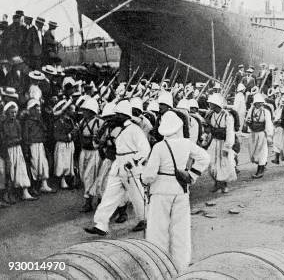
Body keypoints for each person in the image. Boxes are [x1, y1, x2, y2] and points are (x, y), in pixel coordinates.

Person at [141, 111, 210, 272]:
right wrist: (192, 174)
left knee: (158, 230)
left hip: (161, 191)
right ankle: (181, 267)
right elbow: (205, 158)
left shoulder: (159, 147)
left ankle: (159, 266)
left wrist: (144, 180)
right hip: (180, 190)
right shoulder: (186, 143)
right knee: (181, 230)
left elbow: (149, 175)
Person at [84, 99, 151, 235]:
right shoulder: (119, 129)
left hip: (131, 166)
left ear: (125, 116)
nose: (115, 117)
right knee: (109, 195)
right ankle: (101, 224)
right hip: (118, 164)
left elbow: (145, 149)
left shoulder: (134, 130)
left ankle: (145, 219)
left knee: (137, 195)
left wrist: (133, 161)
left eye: (118, 114)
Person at [1, 101, 37, 201]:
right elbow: (4, 139)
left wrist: (17, 141)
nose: (13, 114)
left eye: (15, 112)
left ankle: (25, 192)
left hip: (17, 149)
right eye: (11, 112)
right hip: (8, 150)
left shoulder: (17, 123)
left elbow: (20, 136)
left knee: (21, 168)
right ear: (7, 113)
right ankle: (10, 194)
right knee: (10, 170)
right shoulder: (4, 124)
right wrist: (13, 141)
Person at [76, 97, 102, 212]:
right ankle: (90, 199)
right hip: (84, 151)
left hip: (94, 153)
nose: (84, 112)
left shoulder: (99, 122)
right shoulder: (82, 122)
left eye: (86, 110)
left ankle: (89, 202)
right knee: (83, 175)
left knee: (90, 176)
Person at [22, 99, 54, 195]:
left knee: (43, 164)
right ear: (31, 110)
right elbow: (26, 135)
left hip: (40, 144)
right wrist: (27, 148)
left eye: (39, 110)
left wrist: (40, 122)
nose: (38, 112)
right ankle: (34, 186)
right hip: (33, 145)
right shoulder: (28, 122)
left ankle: (44, 184)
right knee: (35, 165)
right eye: (36, 109)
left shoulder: (40, 120)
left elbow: (45, 130)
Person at [206, 93, 236, 193]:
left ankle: (224, 184)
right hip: (215, 141)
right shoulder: (211, 115)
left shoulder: (227, 116)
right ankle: (217, 183)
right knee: (212, 162)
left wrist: (227, 147)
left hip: (224, 142)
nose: (209, 105)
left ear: (216, 104)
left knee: (225, 163)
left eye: (211, 103)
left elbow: (230, 132)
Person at [245, 93, 273, 179]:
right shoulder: (251, 110)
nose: (259, 104)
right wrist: (248, 123)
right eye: (257, 103)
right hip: (253, 133)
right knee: (253, 150)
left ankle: (260, 170)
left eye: (261, 102)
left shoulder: (266, 112)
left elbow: (268, 123)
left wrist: (269, 135)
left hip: (262, 133)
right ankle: (262, 164)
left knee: (262, 151)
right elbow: (247, 119)